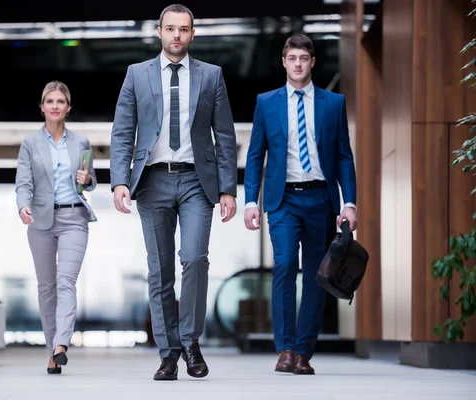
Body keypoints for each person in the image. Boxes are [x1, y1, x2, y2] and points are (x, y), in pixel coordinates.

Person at [110, 4, 238, 381]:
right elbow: (122, 132)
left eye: (184, 29)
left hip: (198, 181)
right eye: (171, 29)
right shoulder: (136, 75)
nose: (177, 35)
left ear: (193, 34)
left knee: (196, 259)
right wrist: (120, 180)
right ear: (159, 32)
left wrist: (228, 188)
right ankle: (168, 353)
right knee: (160, 270)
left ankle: (191, 342)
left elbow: (225, 136)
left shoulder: (212, 76)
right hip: (152, 181)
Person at [243, 34, 357, 375]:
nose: (297, 64)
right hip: (283, 200)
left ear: (311, 62)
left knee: (316, 277)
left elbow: (344, 158)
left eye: (303, 58)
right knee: (284, 265)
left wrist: (349, 203)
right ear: (283, 62)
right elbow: (254, 156)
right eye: (291, 57)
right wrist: (251, 201)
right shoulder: (267, 102)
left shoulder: (333, 104)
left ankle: (304, 352)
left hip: (321, 198)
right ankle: (285, 349)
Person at [15, 81, 98, 374]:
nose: (54, 106)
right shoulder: (30, 143)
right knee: (47, 288)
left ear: (67, 108)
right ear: (42, 107)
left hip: (74, 218)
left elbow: (91, 179)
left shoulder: (81, 143)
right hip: (40, 221)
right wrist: (23, 206)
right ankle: (52, 350)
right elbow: (23, 182)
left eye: (60, 101)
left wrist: (87, 180)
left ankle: (62, 343)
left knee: (66, 282)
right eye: (49, 101)